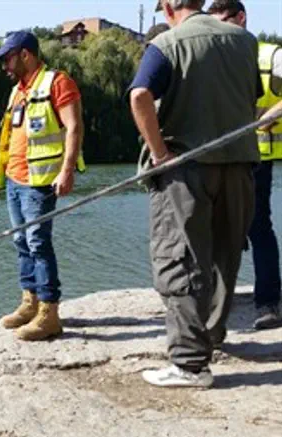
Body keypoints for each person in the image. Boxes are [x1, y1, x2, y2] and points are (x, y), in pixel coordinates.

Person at [128, 0, 261, 387]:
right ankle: (211, 335)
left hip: (187, 170)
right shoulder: (245, 41)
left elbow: (139, 96)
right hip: (239, 167)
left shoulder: (167, 44)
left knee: (180, 259)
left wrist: (159, 154)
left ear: (169, 7)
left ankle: (189, 363)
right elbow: (250, 97)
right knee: (224, 254)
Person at [0, 30, 86, 341]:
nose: (4, 66)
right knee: (21, 242)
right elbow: (9, 136)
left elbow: (74, 127)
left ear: (25, 54)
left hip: (40, 181)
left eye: (7, 59)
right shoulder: (17, 91)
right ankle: (29, 302)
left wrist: (66, 171)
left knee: (38, 243)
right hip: (14, 180)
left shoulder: (57, 82)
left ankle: (49, 313)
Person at [207, 0, 282, 330]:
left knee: (257, 224)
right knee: (215, 225)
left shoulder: (270, 55)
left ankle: (269, 302)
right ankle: (215, 298)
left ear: (241, 18)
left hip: (258, 155)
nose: (218, 31)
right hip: (221, 156)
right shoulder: (214, 54)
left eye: (223, 22)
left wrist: (267, 118)